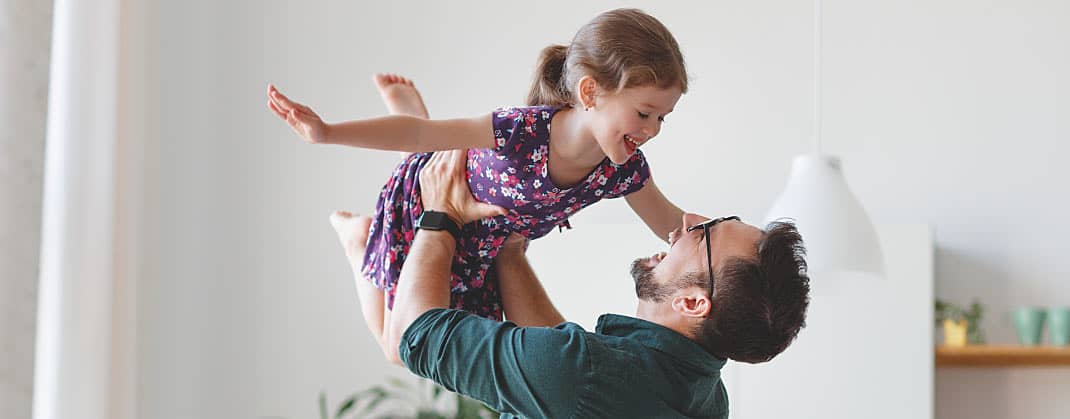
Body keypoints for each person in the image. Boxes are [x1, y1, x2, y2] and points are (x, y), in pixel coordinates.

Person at [267, 8, 695, 360]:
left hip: (481, 249)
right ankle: (358, 239)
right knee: (400, 350)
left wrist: (752, 242)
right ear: (590, 92)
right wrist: (326, 132)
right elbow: (417, 136)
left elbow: (675, 225)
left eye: (662, 117)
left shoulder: (622, 170)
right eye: (644, 114)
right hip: (426, 209)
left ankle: (418, 122)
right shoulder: (522, 131)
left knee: (430, 345)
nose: (653, 130)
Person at [327, 149, 812, 418]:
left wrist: (441, 214)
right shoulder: (704, 395)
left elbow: (418, 335)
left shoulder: (582, 374)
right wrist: (510, 254)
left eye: (705, 233)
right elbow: (570, 379)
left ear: (691, 302)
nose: (688, 221)